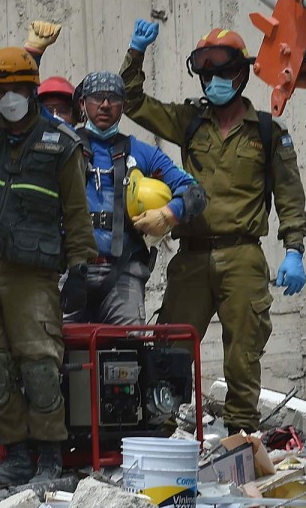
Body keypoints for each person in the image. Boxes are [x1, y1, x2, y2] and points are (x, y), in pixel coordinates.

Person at [121, 20, 306, 433]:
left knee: (243, 350)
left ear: (240, 74)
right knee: (169, 346)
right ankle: (162, 426)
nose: (214, 81)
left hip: (242, 254)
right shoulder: (189, 121)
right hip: (191, 256)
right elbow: (131, 102)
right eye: (206, 73)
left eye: (223, 72)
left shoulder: (267, 131)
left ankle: (241, 434)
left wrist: (293, 249)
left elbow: (289, 195)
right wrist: (136, 53)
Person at [0, 48, 96, 490]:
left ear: (32, 89)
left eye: (17, 87)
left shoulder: (61, 145)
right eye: (0, 88)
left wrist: (81, 268)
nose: (9, 96)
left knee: (40, 365)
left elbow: (77, 213)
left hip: (32, 274)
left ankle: (50, 459)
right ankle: (16, 456)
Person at [68, 68, 207, 325]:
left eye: (114, 98)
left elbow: (194, 191)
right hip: (69, 271)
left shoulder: (142, 153)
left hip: (124, 272)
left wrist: (169, 213)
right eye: (97, 97)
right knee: (52, 351)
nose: (105, 104)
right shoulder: (63, 145)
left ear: (124, 106)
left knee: (131, 349)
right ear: (82, 104)